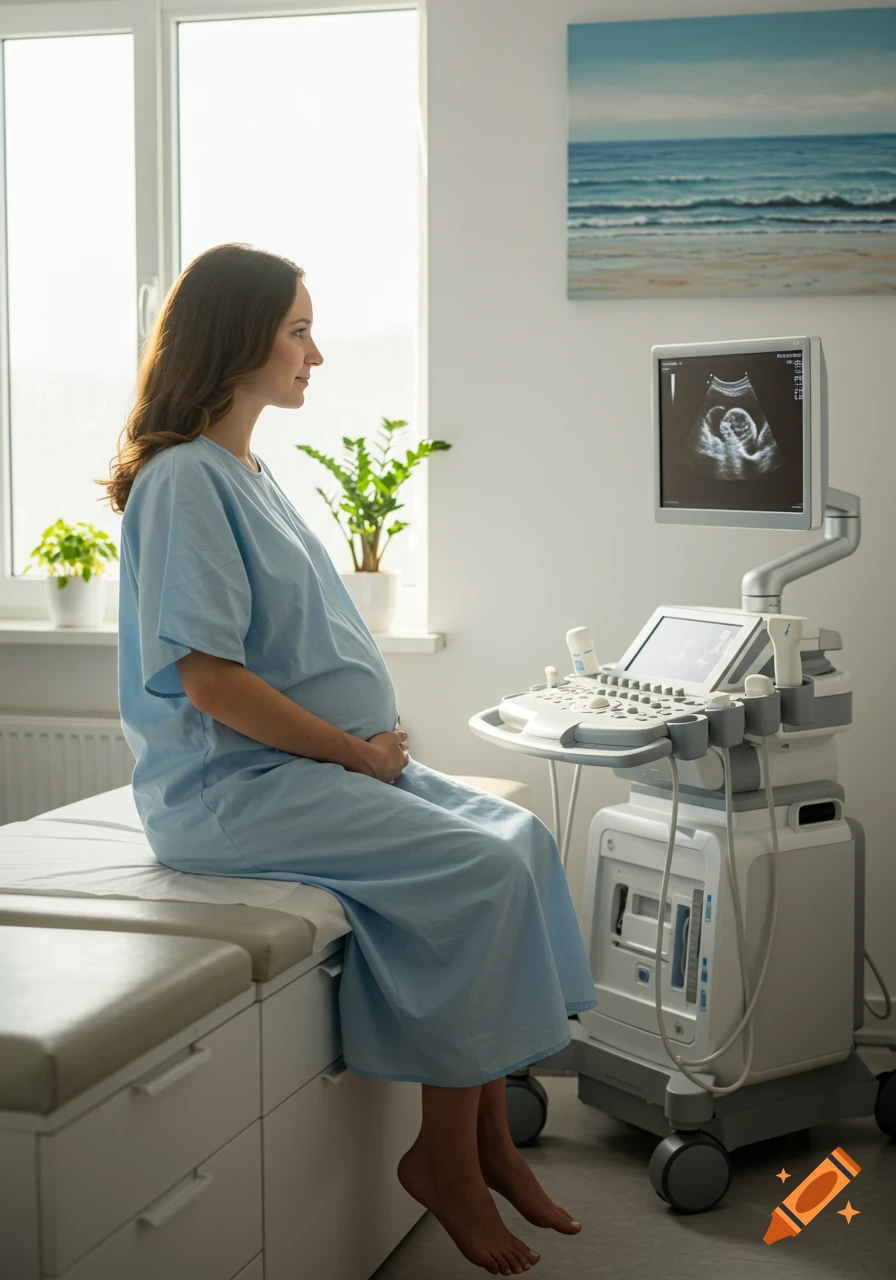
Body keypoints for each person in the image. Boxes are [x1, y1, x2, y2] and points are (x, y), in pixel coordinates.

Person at [103, 243, 598, 1277]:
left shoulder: (245, 467)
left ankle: (487, 1137)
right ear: (236, 338)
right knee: (478, 869)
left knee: (518, 835)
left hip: (312, 770)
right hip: (231, 790)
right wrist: (358, 757)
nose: (315, 353)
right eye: (296, 330)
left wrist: (362, 751)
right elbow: (212, 683)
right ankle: (444, 1159)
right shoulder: (185, 479)